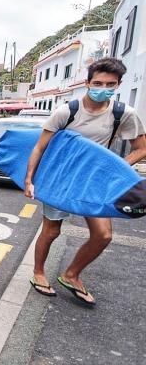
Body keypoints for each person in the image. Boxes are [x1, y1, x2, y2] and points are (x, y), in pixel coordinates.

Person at [25, 58, 146, 304]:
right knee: (51, 231)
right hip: (62, 179)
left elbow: (141, 149)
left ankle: (71, 274)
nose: (103, 88)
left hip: (95, 183)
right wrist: (30, 180)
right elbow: (40, 147)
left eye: (110, 84)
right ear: (88, 82)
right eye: (98, 83)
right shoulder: (67, 111)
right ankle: (38, 272)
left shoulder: (123, 114)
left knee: (103, 235)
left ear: (118, 85)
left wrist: (114, 170)